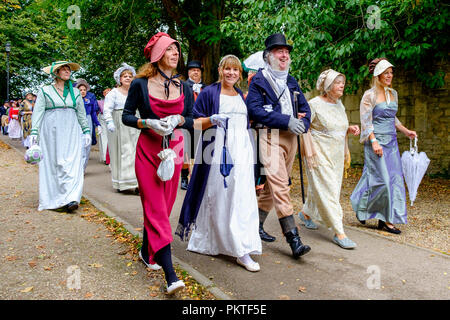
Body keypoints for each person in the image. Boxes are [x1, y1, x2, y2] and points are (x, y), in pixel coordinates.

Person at [122, 32, 194, 294]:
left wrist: (178, 120)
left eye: (177, 50)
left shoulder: (185, 86)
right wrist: (146, 122)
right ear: (157, 55)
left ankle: (145, 251)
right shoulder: (140, 84)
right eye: (170, 49)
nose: (176, 53)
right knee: (156, 209)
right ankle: (171, 275)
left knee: (161, 209)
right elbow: (127, 117)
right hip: (148, 153)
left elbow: (191, 116)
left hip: (173, 152)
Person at [177, 55, 262, 272]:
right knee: (221, 196)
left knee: (241, 197)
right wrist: (213, 119)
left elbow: (247, 124)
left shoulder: (242, 97)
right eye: (228, 69)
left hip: (241, 151)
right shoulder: (209, 93)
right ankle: (224, 244)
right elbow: (195, 122)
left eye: (235, 70)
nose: (231, 73)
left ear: (239, 74)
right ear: (220, 70)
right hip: (216, 152)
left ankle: (241, 244)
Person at [246, 33, 312, 259]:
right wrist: (286, 120)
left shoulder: (291, 80)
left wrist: (302, 122)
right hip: (270, 135)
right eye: (279, 51)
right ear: (268, 56)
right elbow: (254, 110)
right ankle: (294, 239)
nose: (284, 55)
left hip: (291, 138)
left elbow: (305, 108)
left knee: (271, 188)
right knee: (281, 185)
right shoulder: (258, 80)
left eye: (286, 51)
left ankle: (255, 226)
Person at [350, 58, 417, 234]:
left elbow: (391, 117)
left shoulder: (393, 93)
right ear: (378, 75)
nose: (390, 76)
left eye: (391, 72)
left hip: (392, 143)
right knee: (382, 181)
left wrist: (405, 131)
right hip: (376, 142)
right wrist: (373, 141)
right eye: (386, 73)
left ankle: (384, 219)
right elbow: (366, 121)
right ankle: (364, 208)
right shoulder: (369, 95)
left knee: (393, 181)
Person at [298, 69, 360, 249]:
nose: (342, 85)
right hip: (318, 153)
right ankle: (339, 231)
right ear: (328, 86)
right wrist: (309, 150)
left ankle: (306, 213)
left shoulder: (339, 105)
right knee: (329, 190)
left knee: (325, 187)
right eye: (338, 83)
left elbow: (338, 127)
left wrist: (349, 129)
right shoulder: (314, 104)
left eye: (342, 82)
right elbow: (305, 128)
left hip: (337, 155)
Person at [29, 61, 91, 212]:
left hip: (71, 130)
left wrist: (86, 131)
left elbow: (81, 113)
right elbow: (38, 112)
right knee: (54, 162)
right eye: (63, 69)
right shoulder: (45, 90)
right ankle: (55, 197)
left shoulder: (75, 92)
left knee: (72, 162)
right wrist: (34, 132)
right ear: (55, 73)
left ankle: (72, 198)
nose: (67, 71)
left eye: (68, 69)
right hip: (51, 131)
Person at [103, 63, 140, 193]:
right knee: (122, 152)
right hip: (119, 124)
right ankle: (121, 183)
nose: (128, 78)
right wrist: (109, 122)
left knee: (134, 152)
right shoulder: (113, 93)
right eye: (125, 76)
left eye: (130, 76)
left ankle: (135, 182)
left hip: (134, 124)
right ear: (119, 79)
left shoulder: (135, 92)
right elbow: (107, 109)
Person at [180, 60, 207, 190]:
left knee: (201, 152)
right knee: (186, 152)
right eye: (193, 70)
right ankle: (184, 177)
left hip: (202, 123)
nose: (196, 72)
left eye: (198, 70)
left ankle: (198, 178)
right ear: (188, 72)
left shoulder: (206, 88)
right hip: (187, 123)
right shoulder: (183, 86)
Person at [75, 79, 101, 171]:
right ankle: (77, 168)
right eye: (80, 89)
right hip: (77, 121)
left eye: (84, 90)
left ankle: (83, 168)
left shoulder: (89, 99)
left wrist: (98, 124)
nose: (82, 91)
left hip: (88, 119)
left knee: (87, 144)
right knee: (78, 145)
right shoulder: (74, 100)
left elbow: (94, 112)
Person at [97, 88, 111, 164]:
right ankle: (105, 157)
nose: (108, 94)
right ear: (104, 94)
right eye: (106, 93)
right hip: (102, 119)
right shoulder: (100, 102)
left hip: (112, 119)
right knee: (104, 137)